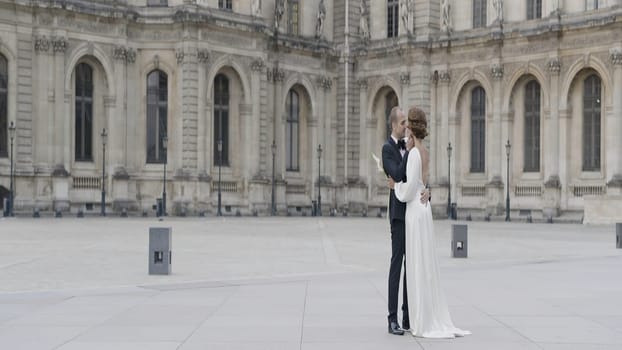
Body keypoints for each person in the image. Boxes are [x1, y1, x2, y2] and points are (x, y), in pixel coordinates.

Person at [392, 107, 471, 338]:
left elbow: (407, 191)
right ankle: (424, 315)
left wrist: (395, 186)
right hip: (423, 210)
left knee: (417, 266)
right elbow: (422, 185)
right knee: (425, 265)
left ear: (410, 128)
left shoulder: (414, 154)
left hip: (415, 213)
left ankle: (421, 320)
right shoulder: (425, 152)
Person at [381, 107, 429, 335]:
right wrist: (409, 152)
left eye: (406, 123)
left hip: (412, 212)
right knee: (396, 265)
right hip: (399, 217)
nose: (405, 126)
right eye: (402, 123)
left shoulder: (412, 149)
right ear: (393, 125)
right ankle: (392, 319)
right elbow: (398, 175)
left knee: (412, 266)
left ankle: (408, 316)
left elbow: (419, 180)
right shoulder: (387, 149)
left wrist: (428, 191)